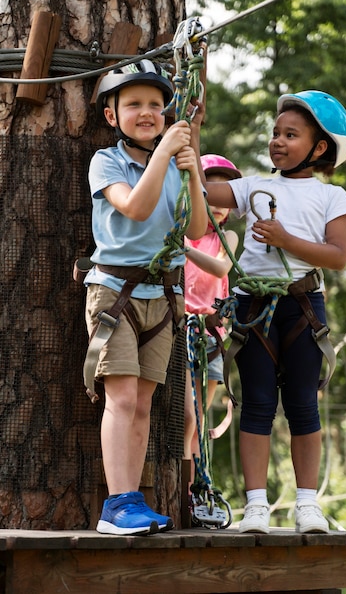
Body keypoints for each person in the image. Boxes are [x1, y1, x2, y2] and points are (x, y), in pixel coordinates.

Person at [201, 90, 346, 534]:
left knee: (303, 405)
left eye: (290, 134)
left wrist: (286, 240)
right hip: (255, 306)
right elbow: (201, 187)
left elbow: (337, 256)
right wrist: (186, 138)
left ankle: (307, 504)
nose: (277, 141)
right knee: (256, 403)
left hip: (304, 307)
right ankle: (256, 505)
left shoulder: (334, 198)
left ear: (319, 147)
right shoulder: (253, 186)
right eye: (275, 133)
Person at [84, 60, 207, 535]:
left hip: (162, 295)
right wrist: (165, 156)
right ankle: (117, 504)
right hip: (115, 292)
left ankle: (131, 500)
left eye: (156, 104)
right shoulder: (107, 161)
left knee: (143, 403)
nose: (148, 112)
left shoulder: (174, 163)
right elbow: (134, 208)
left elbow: (196, 228)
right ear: (113, 115)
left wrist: (191, 169)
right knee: (121, 395)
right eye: (134, 104)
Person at [183, 154, 241, 483]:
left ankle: (196, 488)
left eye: (225, 199)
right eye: (211, 196)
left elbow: (220, 267)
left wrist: (182, 249)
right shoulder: (180, 232)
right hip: (180, 331)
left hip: (210, 335)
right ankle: (183, 483)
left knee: (201, 418)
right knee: (186, 415)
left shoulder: (225, 240)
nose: (218, 206)